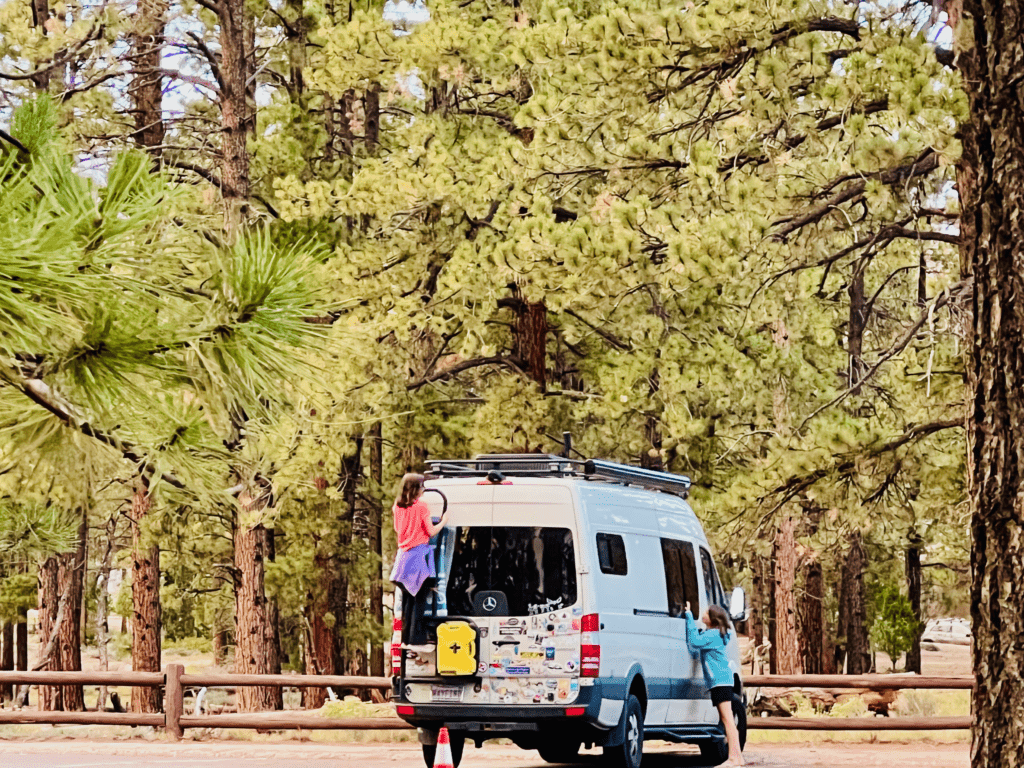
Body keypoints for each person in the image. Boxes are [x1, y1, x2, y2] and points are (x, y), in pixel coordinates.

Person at [389, 473, 448, 647]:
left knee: (407, 601)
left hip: (402, 559)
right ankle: (417, 640)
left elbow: (397, 529)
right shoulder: (421, 506)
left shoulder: (397, 507)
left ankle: (405, 640)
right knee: (419, 602)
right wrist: (443, 521)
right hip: (418, 558)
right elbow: (430, 531)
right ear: (417, 489)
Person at [685, 601, 744, 767]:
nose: (702, 614)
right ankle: (738, 758)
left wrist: (689, 616)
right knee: (728, 720)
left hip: (720, 682)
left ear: (712, 620)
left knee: (727, 721)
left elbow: (694, 641)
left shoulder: (712, 636)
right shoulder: (715, 634)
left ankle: (734, 758)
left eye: (706, 613)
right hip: (723, 681)